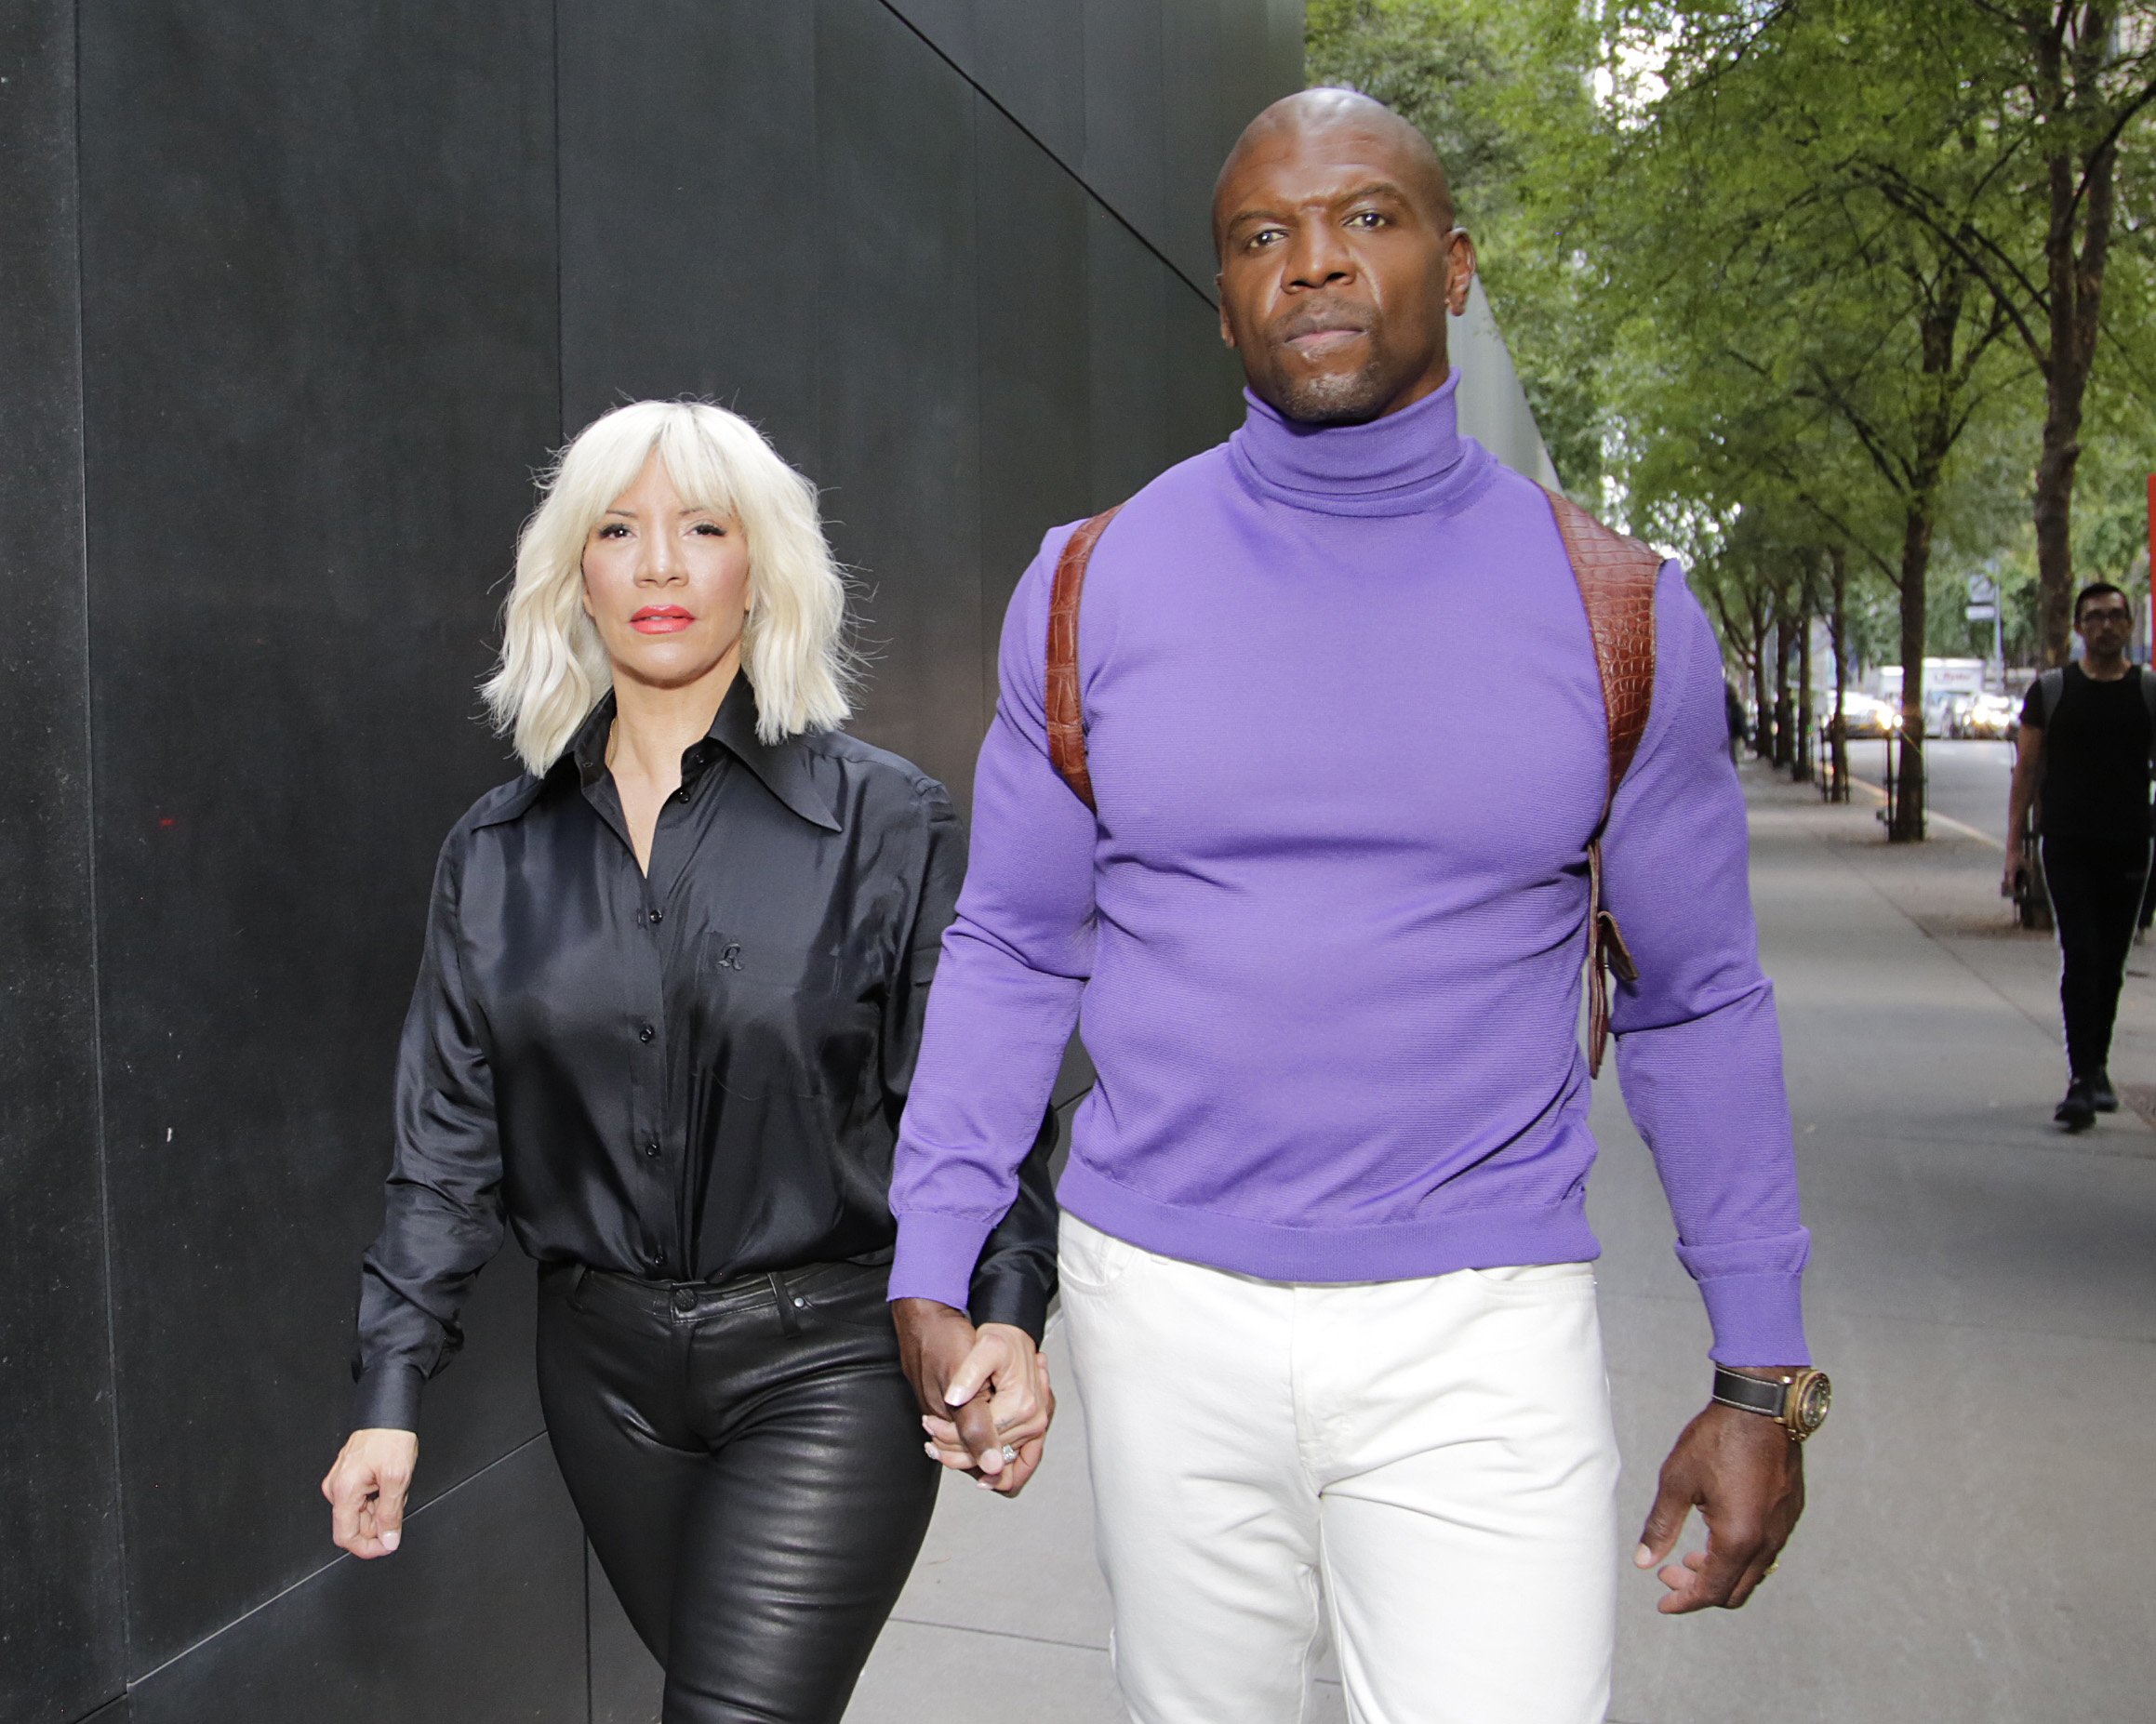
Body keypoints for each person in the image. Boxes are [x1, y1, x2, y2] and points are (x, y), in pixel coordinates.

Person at [888, 90, 1823, 1724]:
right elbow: (1013, 943)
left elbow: (1695, 1000)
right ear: (1225, 291)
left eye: (1363, 218)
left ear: (1451, 266)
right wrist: (933, 1251)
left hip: (1478, 1331)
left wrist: (1760, 1372)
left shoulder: (1619, 614)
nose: (1311, 264)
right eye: (1262, 236)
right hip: (1158, 1309)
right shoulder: (1089, 582)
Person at [320, 401, 1058, 1724]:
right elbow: (444, 1149)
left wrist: (1004, 1305)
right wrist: (389, 1392)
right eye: (619, 530)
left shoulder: (883, 821)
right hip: (601, 1383)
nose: (660, 566)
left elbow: (974, 1103)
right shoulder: (495, 854)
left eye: (702, 529)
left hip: (828, 1360)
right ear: (574, 577)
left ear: (760, 569)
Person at [2004, 582, 2154, 1130]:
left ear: (2130, 625)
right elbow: (2025, 773)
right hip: (2065, 845)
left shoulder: (2147, 691)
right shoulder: (2052, 691)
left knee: (2111, 964)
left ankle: (2098, 1069)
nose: (2106, 626)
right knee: (2082, 956)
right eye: (2095, 617)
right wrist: (2014, 848)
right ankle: (2079, 1078)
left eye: (2116, 616)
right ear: (2078, 628)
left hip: (2131, 845)